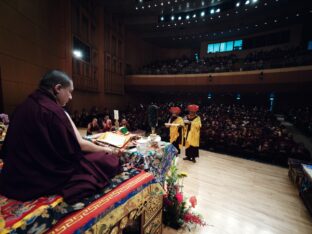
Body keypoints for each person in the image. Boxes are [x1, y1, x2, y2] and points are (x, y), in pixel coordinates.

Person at [0, 70, 121, 204]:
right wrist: (108, 150)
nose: (70, 97)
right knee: (108, 160)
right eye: (69, 92)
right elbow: (75, 148)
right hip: (41, 177)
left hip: (12, 176)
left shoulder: (22, 106)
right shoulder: (54, 111)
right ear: (57, 88)